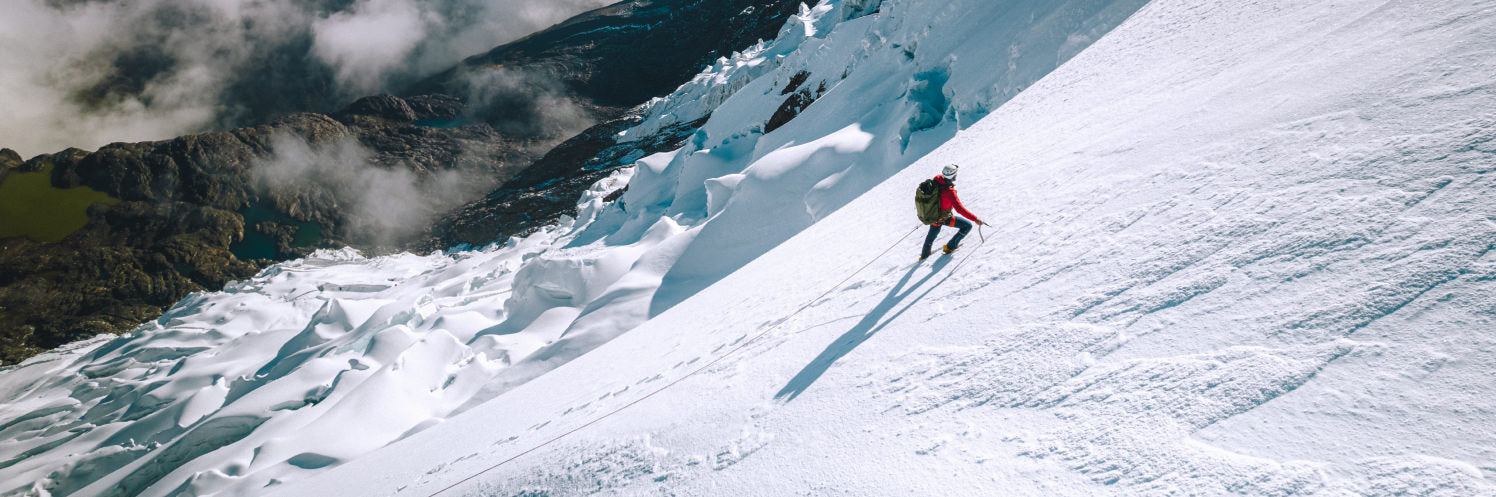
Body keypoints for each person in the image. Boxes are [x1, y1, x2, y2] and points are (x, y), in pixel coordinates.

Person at [921, 164, 983, 261]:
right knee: (967, 226)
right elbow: (960, 209)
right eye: (955, 175)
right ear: (952, 176)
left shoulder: (936, 181)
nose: (956, 176)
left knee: (930, 237)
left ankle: (924, 256)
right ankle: (950, 246)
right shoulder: (950, 192)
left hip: (932, 217)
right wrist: (975, 219)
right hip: (943, 218)